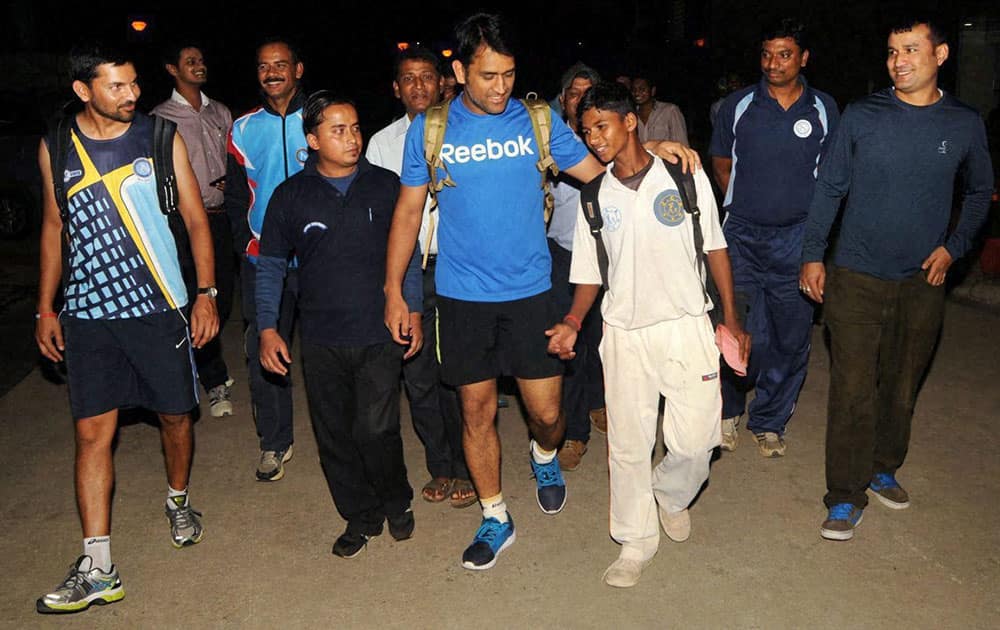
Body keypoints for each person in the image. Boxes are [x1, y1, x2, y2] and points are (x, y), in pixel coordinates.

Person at [384, 12, 698, 571]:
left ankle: (544, 453)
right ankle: (496, 514)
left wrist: (654, 154)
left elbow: (600, 172)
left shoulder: (537, 119)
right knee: (475, 410)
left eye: (508, 74)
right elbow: (409, 210)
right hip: (460, 295)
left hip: (531, 292)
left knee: (547, 413)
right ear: (459, 71)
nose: (500, 87)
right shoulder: (430, 130)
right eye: (486, 76)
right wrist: (394, 290)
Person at [34, 44, 218, 614]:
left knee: (174, 417)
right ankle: (98, 565)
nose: (131, 95)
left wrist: (206, 295)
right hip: (88, 316)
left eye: (134, 83)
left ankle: (178, 498)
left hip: (160, 308)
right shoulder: (57, 146)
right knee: (92, 434)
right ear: (83, 91)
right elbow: (52, 226)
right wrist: (46, 307)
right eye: (116, 86)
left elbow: (195, 219)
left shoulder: (161, 139)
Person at [546, 81, 749, 587]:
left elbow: (716, 249)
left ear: (630, 121)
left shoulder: (684, 176)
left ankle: (671, 494)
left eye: (603, 126)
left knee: (698, 442)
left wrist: (732, 318)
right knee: (629, 446)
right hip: (624, 334)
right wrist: (573, 321)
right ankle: (635, 541)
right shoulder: (594, 197)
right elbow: (590, 273)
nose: (594, 138)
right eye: (586, 129)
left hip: (686, 326)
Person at [799, 17, 993, 541]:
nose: (898, 60)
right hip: (856, 276)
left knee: (902, 386)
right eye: (891, 51)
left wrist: (953, 249)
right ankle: (843, 495)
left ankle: (883, 466)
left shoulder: (963, 122)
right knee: (852, 390)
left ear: (942, 54)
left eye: (910, 49)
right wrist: (813, 255)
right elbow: (830, 189)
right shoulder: (862, 116)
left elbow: (979, 194)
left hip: (922, 283)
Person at [256, 91, 422, 558]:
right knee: (335, 434)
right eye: (338, 130)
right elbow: (270, 265)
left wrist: (412, 308)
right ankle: (360, 516)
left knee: (377, 427)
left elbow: (405, 256)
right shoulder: (290, 196)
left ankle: (397, 499)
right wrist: (268, 327)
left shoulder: (387, 186)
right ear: (312, 140)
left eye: (355, 128)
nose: (352, 139)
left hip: (379, 330)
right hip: (322, 337)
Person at [709, 19, 839, 457]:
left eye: (784, 54)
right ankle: (727, 412)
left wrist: (814, 241)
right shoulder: (738, 104)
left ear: (803, 58)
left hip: (797, 239)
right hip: (742, 236)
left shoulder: (823, 108)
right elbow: (722, 163)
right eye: (767, 54)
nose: (773, 63)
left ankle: (769, 420)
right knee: (736, 327)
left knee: (789, 334)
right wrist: (744, 206)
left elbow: (831, 179)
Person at [366, 46, 476, 508]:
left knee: (463, 369)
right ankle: (441, 465)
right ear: (396, 88)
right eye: (407, 78)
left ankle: (472, 466)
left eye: (426, 77)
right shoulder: (380, 144)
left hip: (461, 267)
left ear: (443, 83)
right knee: (419, 372)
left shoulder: (467, 134)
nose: (417, 86)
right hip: (412, 269)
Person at [225, 37, 308, 482]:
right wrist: (245, 243)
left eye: (281, 64)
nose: (272, 72)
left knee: (331, 350)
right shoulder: (242, 128)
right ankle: (274, 442)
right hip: (264, 259)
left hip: (319, 261)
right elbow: (237, 195)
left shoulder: (321, 117)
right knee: (265, 351)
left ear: (298, 69)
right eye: (263, 66)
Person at [152, 43, 236, 418]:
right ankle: (212, 378)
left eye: (201, 60)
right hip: (184, 221)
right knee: (194, 298)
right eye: (190, 62)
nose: (199, 66)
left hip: (221, 217)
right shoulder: (160, 119)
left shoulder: (220, 111)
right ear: (172, 68)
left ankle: (206, 360)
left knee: (224, 296)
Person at [546, 61, 606, 471]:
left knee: (602, 338)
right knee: (571, 343)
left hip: (605, 253)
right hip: (559, 253)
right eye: (572, 93)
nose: (579, 100)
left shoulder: (608, 139)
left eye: (588, 94)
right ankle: (575, 432)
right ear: (563, 99)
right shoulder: (547, 139)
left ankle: (600, 399)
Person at [631, 73, 688, 145]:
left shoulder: (670, 111)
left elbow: (682, 143)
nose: (637, 93)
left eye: (642, 89)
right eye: (634, 90)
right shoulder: (631, 115)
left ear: (653, 91)